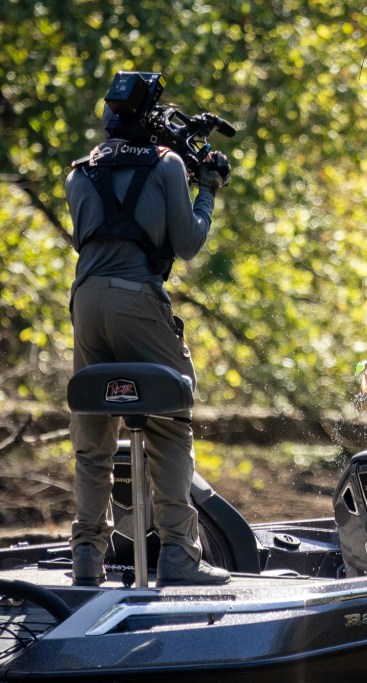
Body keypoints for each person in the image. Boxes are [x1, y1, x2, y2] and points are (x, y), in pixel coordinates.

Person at [64, 91, 233, 585]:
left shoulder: (79, 173)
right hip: (136, 299)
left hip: (86, 300)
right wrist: (207, 188)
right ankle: (179, 554)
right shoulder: (166, 165)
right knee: (170, 417)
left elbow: (90, 237)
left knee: (92, 434)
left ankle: (86, 559)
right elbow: (188, 243)